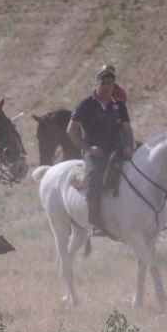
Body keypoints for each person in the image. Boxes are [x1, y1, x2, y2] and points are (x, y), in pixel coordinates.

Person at [67, 67, 135, 237]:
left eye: (110, 83)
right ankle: (95, 222)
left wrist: (129, 146)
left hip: (117, 149)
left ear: (114, 86)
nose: (106, 86)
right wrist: (88, 149)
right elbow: (71, 130)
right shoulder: (86, 104)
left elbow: (127, 129)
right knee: (94, 179)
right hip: (96, 152)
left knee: (141, 170)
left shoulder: (119, 105)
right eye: (103, 83)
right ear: (96, 84)